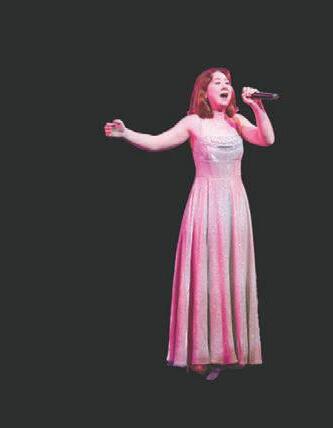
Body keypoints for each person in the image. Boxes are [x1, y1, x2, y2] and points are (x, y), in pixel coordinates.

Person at [104, 67, 275, 381]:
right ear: (205, 92)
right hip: (206, 204)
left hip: (235, 205)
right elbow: (157, 142)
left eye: (227, 82)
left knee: (233, 274)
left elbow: (267, 139)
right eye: (217, 82)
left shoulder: (238, 121)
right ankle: (201, 353)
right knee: (206, 276)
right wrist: (126, 134)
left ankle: (231, 350)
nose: (224, 85)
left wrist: (258, 107)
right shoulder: (194, 122)